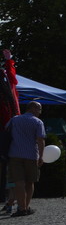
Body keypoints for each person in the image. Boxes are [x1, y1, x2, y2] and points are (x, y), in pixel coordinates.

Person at [5, 101, 45, 217]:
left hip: (15, 154)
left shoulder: (14, 119)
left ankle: (21, 208)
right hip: (31, 155)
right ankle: (26, 207)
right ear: (34, 108)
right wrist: (41, 156)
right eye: (40, 109)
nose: (40, 112)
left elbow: (6, 130)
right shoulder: (38, 122)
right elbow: (40, 140)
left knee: (18, 182)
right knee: (30, 181)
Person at [0, 48, 20, 208]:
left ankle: (8, 198)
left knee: (7, 164)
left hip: (7, 125)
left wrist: (9, 61)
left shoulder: (9, 89)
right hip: (7, 125)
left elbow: (11, 77)